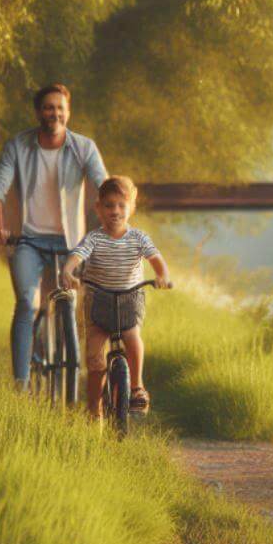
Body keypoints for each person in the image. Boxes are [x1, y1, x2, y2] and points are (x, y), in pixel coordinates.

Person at [0, 84, 109, 388]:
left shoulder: (84, 147)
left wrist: (114, 222)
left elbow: (103, 186)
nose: (54, 113)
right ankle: (21, 385)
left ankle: (68, 376)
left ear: (68, 112)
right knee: (27, 304)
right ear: (38, 112)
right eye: (48, 107)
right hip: (27, 241)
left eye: (60, 108)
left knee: (67, 302)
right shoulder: (18, 146)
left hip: (71, 245)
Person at [59, 176, 171, 418]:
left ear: (131, 208)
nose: (115, 211)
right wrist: (67, 270)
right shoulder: (94, 238)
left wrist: (162, 276)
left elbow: (156, 259)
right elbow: (77, 255)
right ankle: (93, 411)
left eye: (121, 205)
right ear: (98, 208)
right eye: (109, 205)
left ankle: (137, 387)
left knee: (132, 336)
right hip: (99, 301)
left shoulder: (138, 238)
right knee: (95, 360)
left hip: (130, 300)